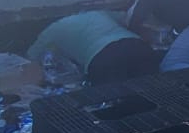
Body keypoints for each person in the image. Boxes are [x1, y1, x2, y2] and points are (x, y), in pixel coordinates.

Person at [28, 11, 159, 85]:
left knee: (117, 101)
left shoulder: (51, 30)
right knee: (152, 90)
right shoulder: (97, 14)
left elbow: (30, 57)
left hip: (103, 58)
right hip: (138, 46)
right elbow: (128, 17)